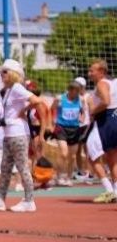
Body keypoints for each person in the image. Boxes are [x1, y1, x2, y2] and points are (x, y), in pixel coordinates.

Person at [0, 59, 48, 213]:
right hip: (9, 134)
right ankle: (0, 199)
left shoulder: (17, 87)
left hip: (18, 134)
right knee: (5, 168)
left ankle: (29, 200)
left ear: (13, 74)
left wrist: (24, 111)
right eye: (1, 72)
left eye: (4, 72)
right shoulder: (10, 90)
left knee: (22, 167)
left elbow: (38, 100)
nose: (1, 75)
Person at [87, 59, 117, 202]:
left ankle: (109, 190)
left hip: (106, 120)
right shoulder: (113, 83)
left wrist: (93, 110)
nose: (89, 73)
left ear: (102, 72)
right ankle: (115, 191)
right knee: (112, 158)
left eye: (92, 70)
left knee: (92, 155)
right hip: (113, 118)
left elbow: (106, 101)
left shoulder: (102, 83)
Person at [50, 80, 87, 186]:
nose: (76, 94)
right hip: (61, 127)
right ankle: (59, 176)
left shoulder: (80, 100)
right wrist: (52, 121)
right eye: (75, 91)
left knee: (72, 156)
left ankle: (68, 177)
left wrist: (82, 118)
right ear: (70, 90)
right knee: (64, 153)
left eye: (78, 92)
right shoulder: (60, 99)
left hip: (74, 129)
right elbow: (51, 109)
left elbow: (83, 111)